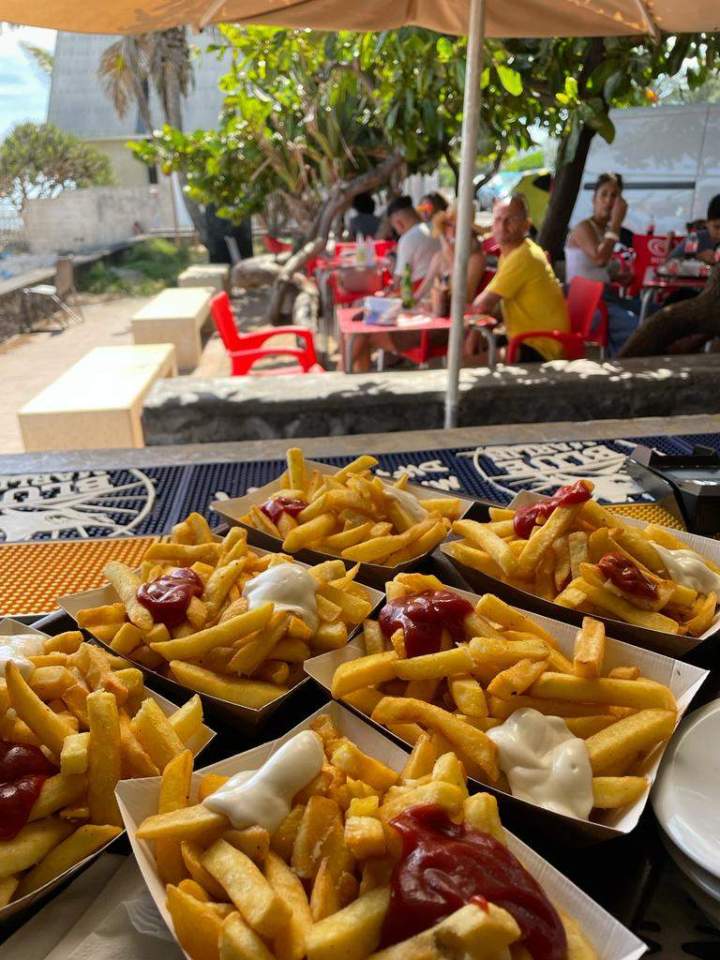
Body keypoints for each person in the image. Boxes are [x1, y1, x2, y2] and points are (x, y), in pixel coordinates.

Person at [470, 196, 569, 362]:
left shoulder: (523, 257)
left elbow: (481, 304)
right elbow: (495, 308)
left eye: (510, 220)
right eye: (498, 219)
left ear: (526, 225)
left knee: (464, 363)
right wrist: (476, 331)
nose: (502, 226)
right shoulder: (511, 254)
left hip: (543, 346)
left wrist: (473, 332)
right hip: (524, 339)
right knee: (467, 351)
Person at [565, 172, 639, 354]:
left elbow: (598, 268)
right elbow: (599, 259)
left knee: (656, 314)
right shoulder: (583, 227)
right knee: (641, 331)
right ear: (594, 199)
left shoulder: (603, 230)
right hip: (588, 303)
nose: (608, 201)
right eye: (604, 194)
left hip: (606, 297)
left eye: (614, 196)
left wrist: (617, 276)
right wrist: (616, 224)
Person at [415, 207, 487, 305]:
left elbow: (464, 299)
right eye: (449, 225)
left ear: (470, 232)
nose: (453, 232)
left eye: (459, 227)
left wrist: (450, 257)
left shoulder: (476, 259)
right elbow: (420, 294)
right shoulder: (439, 257)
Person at [387, 195, 441, 289]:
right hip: (440, 287)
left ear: (399, 223)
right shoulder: (436, 228)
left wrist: (393, 267)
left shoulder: (407, 239)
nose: (397, 232)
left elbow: (397, 283)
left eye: (395, 228)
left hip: (420, 293)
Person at [668, 195, 720, 263]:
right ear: (707, 223)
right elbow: (671, 260)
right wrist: (697, 256)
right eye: (717, 227)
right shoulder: (695, 238)